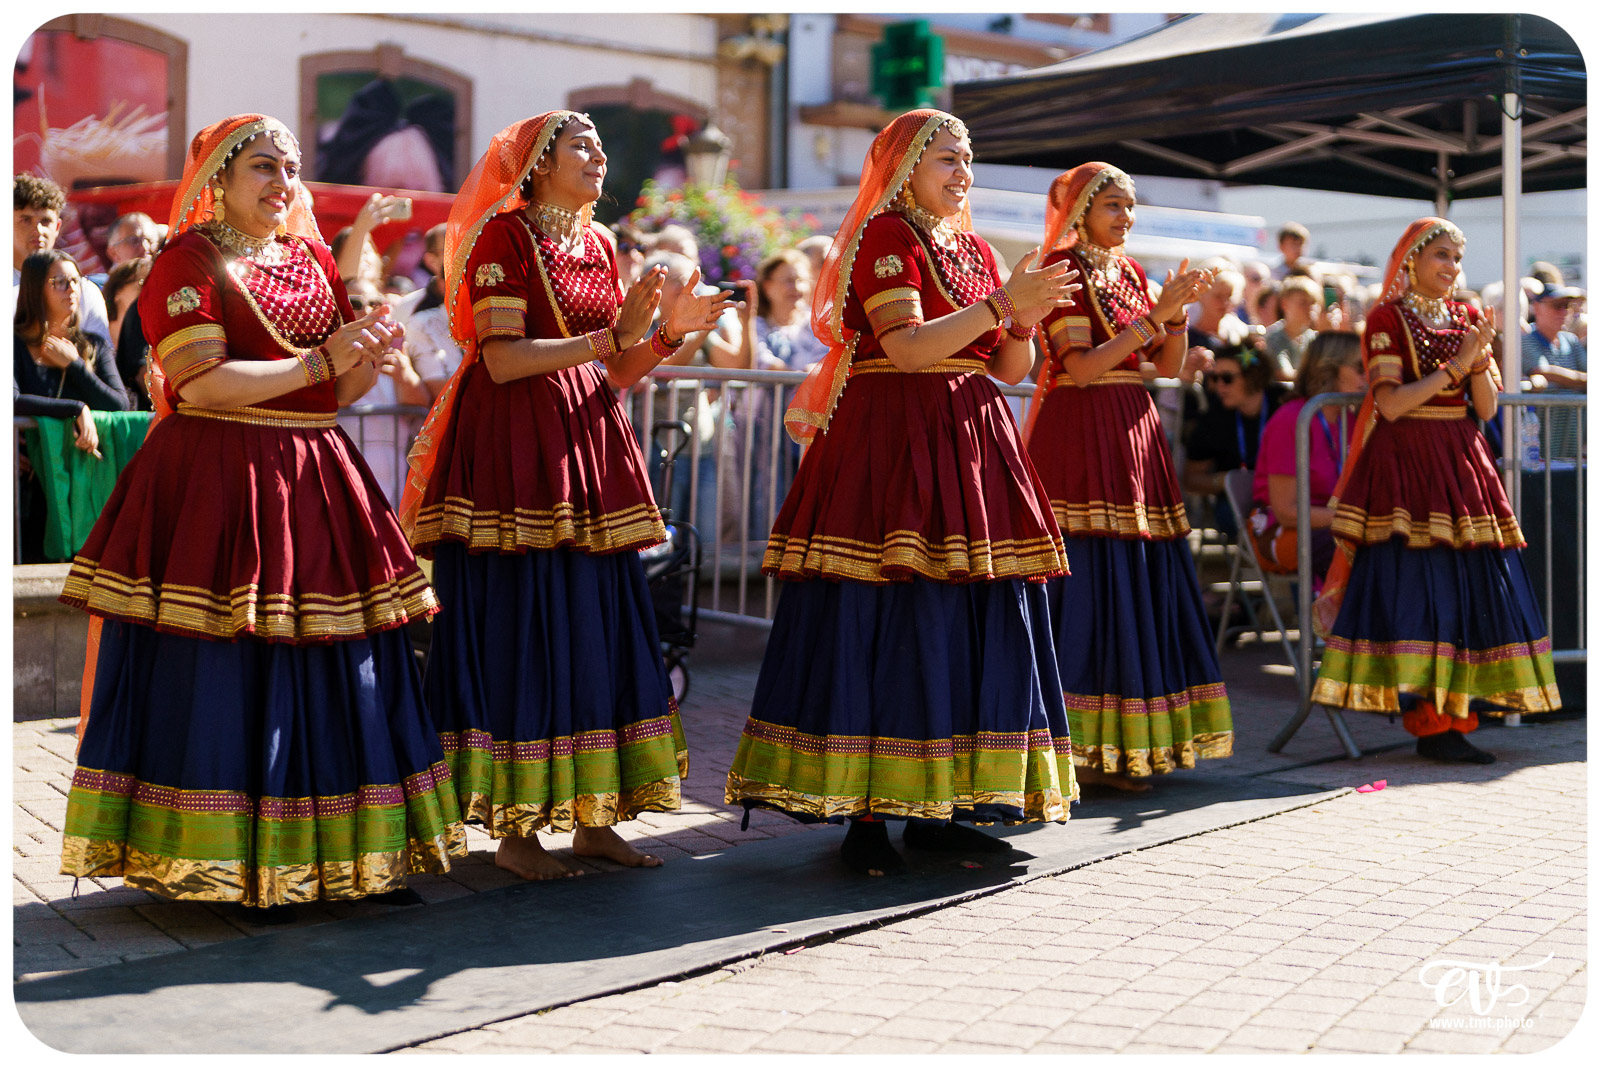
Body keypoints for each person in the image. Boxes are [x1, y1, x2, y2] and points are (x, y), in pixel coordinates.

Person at [56, 114, 465, 919]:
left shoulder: (312, 256)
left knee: (342, 663)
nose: (284, 183)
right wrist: (321, 359)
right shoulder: (187, 259)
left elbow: (330, 396)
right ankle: (227, 861)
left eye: (292, 167)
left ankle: (355, 856)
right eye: (265, 168)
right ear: (218, 179)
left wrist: (360, 361)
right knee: (230, 665)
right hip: (220, 480)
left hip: (315, 472)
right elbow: (201, 384)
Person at [724, 109, 1080, 877]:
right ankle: (865, 815)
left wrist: (1020, 316)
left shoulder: (978, 249)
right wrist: (999, 307)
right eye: (946, 157)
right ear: (905, 167)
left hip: (970, 443)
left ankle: (947, 808)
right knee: (883, 614)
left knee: (964, 619)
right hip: (893, 443)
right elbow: (908, 346)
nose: (963, 172)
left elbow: (1009, 369)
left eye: (968, 158)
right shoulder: (887, 237)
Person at [399, 111, 735, 880]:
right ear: (537, 162)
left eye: (599, 142)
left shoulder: (597, 242)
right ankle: (516, 832)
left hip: (588, 450)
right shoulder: (503, 239)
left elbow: (615, 370)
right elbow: (506, 359)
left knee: (599, 626)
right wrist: (609, 340)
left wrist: (666, 337)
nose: (598, 153)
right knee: (524, 629)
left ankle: (596, 817)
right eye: (581, 144)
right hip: (513, 459)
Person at [1312, 218, 1560, 764]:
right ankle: (1428, 721)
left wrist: (1478, 359)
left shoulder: (1469, 316)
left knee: (1467, 586)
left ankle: (1457, 714)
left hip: (1461, 459)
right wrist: (1458, 362)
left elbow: (1488, 408)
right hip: (1407, 466)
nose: (1451, 267)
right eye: (1441, 256)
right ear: (1410, 262)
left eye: (1457, 257)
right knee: (1420, 589)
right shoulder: (1386, 318)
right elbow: (1394, 404)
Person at [1024, 161, 1233, 791]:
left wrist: (1176, 315)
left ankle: (1134, 741)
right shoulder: (1060, 271)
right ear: (1080, 207)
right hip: (1081, 432)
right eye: (1113, 204)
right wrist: (1153, 318)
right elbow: (1080, 367)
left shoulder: (1131, 271)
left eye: (1131, 205)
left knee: (1138, 575)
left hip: (1132, 430)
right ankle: (1076, 746)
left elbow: (1164, 366)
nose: (1126, 217)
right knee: (1090, 577)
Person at [1247, 330, 1365, 581]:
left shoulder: (1351, 418)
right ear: (1329, 369)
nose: (1370, 375)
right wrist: (1357, 520)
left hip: (1335, 527)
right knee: (1367, 548)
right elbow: (1287, 512)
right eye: (1360, 367)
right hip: (1282, 532)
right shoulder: (1292, 419)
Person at [1183, 337, 1291, 540]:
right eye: (1214, 378)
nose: (1218, 386)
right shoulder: (1214, 416)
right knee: (1229, 515)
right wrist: (1226, 480)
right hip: (1241, 500)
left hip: (1283, 492)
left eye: (1227, 378)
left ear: (1252, 376)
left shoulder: (1283, 402)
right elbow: (1190, 480)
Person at [14, 173, 113, 346]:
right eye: (26, 220)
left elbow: (102, 364)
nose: (38, 230)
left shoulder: (83, 292)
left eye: (46, 221)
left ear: (58, 227)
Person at [1521, 281, 1587, 460]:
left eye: (1566, 306)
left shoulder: (1571, 341)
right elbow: (1543, 370)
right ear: (1537, 307)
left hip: (1572, 444)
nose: (1564, 312)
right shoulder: (1526, 341)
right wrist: (1583, 380)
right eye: (1557, 306)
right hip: (1538, 446)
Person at [398, 222, 464, 401]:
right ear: (430, 259)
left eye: (464, 245)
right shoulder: (407, 307)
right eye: (449, 248)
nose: (459, 253)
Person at [1263, 274, 1320, 378]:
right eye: (1303, 303)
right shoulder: (1273, 337)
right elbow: (1284, 373)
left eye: (1313, 303)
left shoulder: (1313, 338)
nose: (1310, 308)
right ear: (1285, 304)